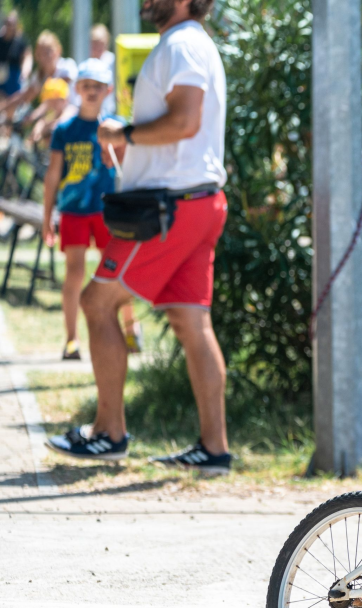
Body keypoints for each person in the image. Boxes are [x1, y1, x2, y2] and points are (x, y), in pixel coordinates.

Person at [45, 0, 229, 473]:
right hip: (195, 201)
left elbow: (185, 120)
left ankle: (108, 433)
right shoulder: (188, 43)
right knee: (191, 322)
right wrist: (130, 146)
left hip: (169, 207)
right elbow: (185, 128)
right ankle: (214, 449)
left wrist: (124, 131)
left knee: (96, 302)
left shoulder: (184, 43)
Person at [41, 59, 140, 362]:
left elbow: (129, 166)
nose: (91, 91)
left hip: (109, 211)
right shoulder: (65, 130)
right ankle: (72, 339)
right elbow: (53, 175)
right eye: (86, 86)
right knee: (75, 274)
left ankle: (131, 328)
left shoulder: (115, 126)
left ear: (108, 89)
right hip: (73, 212)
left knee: (115, 270)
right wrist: (47, 218)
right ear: (77, 88)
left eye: (98, 86)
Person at [0, 11, 31, 102]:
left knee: (13, 102)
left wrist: (25, 73)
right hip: (1, 74)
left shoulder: (21, 41)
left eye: (12, 24)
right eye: (7, 23)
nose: (9, 26)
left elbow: (27, 57)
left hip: (14, 77)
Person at [89, 24, 117, 116]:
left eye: (101, 43)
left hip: (111, 108)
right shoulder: (87, 64)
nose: (97, 47)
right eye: (95, 44)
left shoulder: (113, 60)